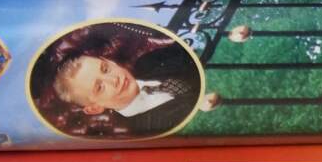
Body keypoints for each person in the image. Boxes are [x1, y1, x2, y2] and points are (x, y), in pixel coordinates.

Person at [29, 23, 202, 138]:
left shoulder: (151, 61)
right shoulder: (144, 130)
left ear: (111, 62)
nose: (114, 79)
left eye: (105, 69)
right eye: (100, 87)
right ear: (94, 108)